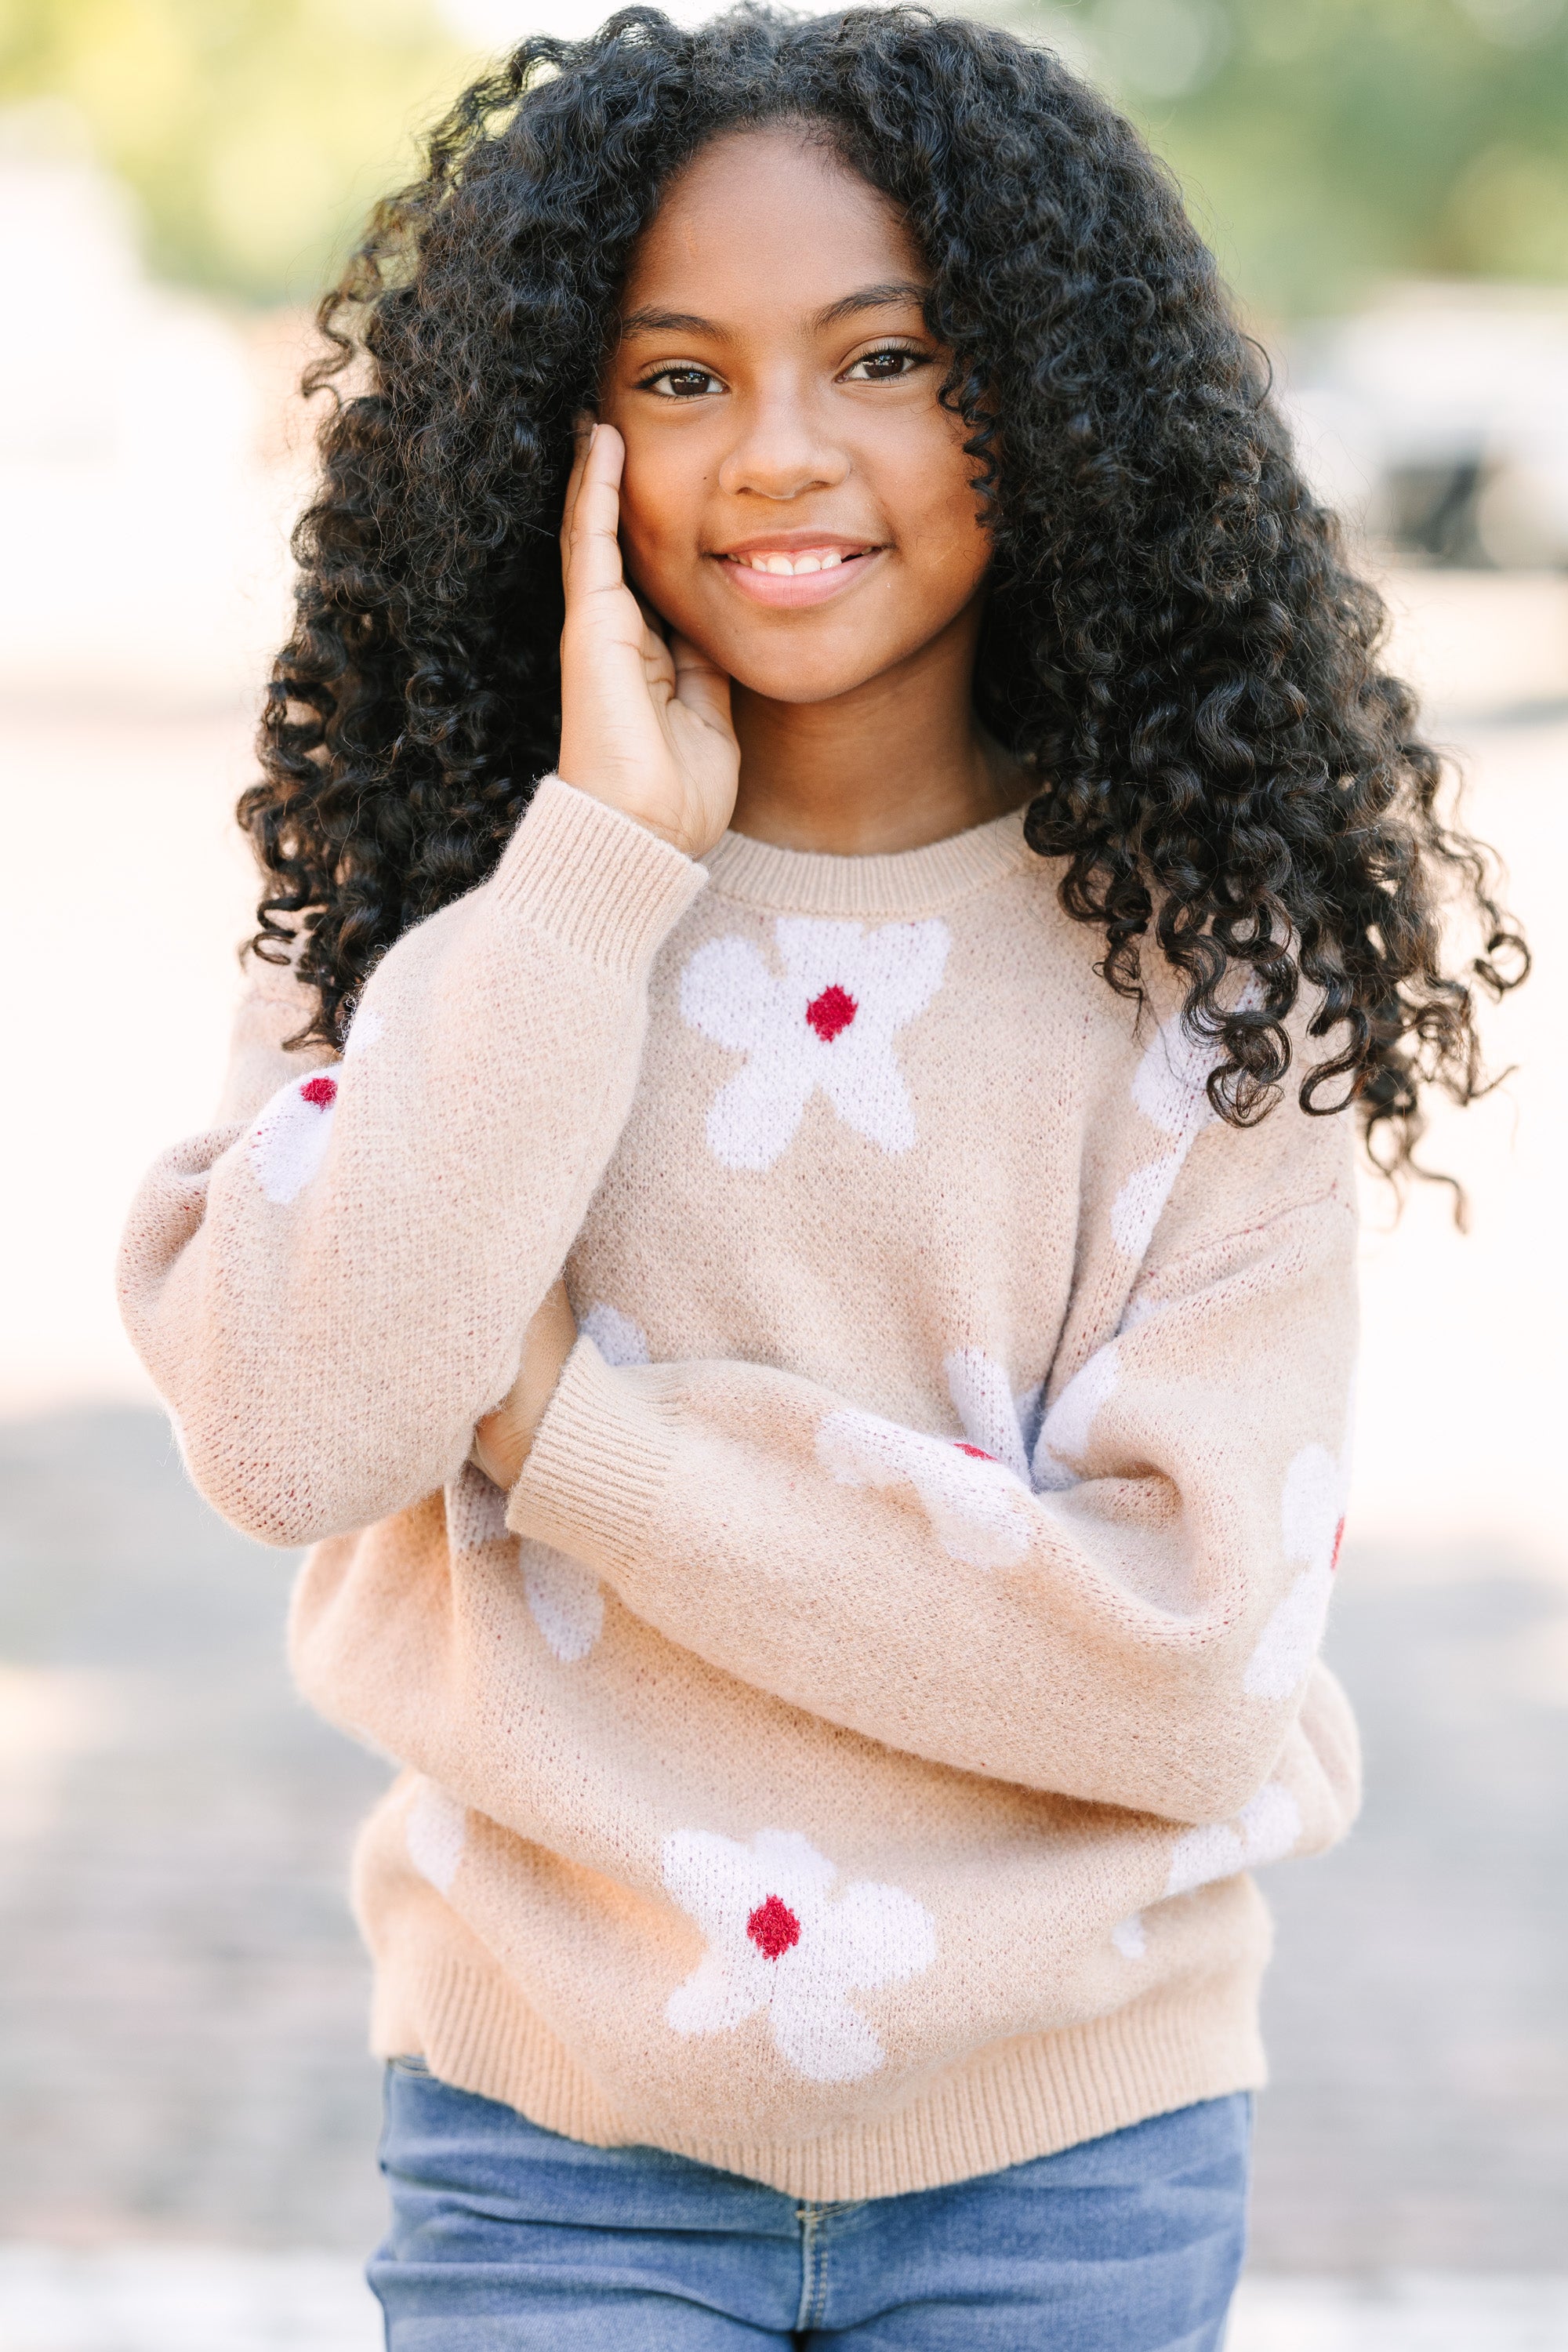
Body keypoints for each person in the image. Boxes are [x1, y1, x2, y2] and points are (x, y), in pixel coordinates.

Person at [118, 9, 1522, 2344]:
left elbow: (1185, 1665)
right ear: (552, 437)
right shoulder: (445, 914)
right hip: (548, 2142)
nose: (781, 453)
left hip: (1071, 2153)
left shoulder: (1198, 968)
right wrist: (585, 880)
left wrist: (569, 1437)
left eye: (884, 357)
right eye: (679, 378)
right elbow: (295, 1430)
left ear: (1047, 397)